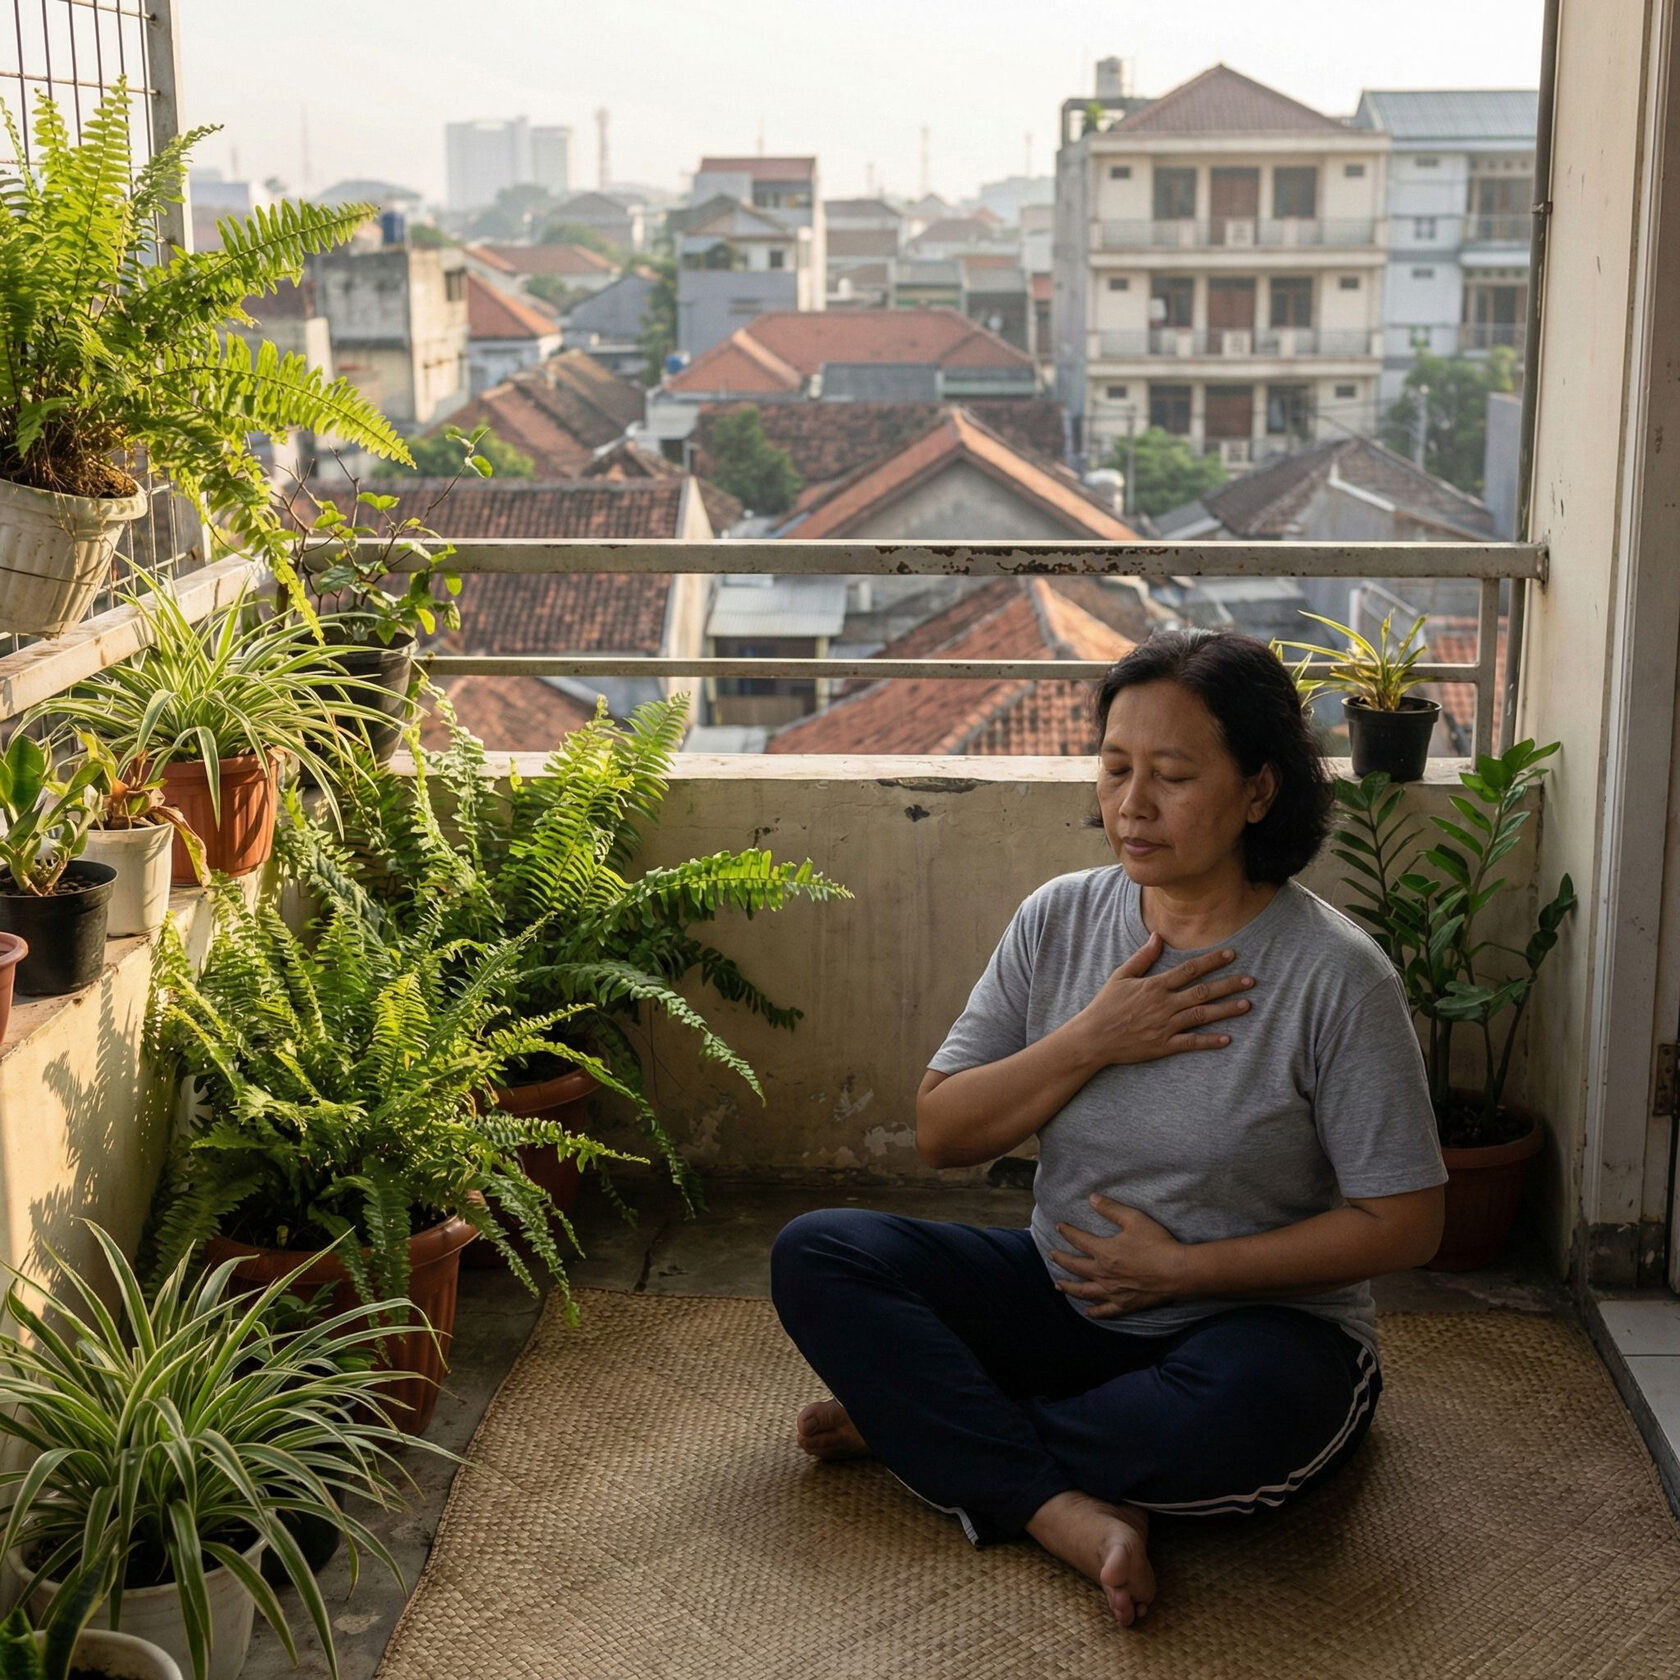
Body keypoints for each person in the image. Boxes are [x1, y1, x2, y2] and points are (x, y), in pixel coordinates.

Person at [770, 629, 1448, 1629]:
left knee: (1242, 1423)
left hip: (1257, 1332)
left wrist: (1185, 1275)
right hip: (1063, 1295)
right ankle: (1057, 1509)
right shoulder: (1060, 918)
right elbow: (944, 1132)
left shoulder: (1335, 977)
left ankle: (925, 1430)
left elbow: (1408, 1225)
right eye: (1117, 766)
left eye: (1172, 775)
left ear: (1258, 791)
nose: (1131, 804)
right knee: (818, 1254)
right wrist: (1092, 1037)